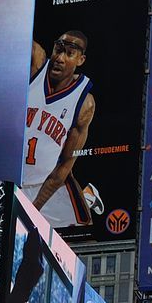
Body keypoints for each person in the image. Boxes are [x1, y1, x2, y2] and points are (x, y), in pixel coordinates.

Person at [24, 31, 98, 227]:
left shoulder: (84, 103)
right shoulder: (37, 65)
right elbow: (13, 28)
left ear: (80, 60)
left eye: (69, 53)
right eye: (58, 49)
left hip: (46, 184)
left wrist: (34, 209)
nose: (59, 58)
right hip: (11, 176)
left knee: (86, 234)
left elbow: (65, 164)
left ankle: (88, 197)